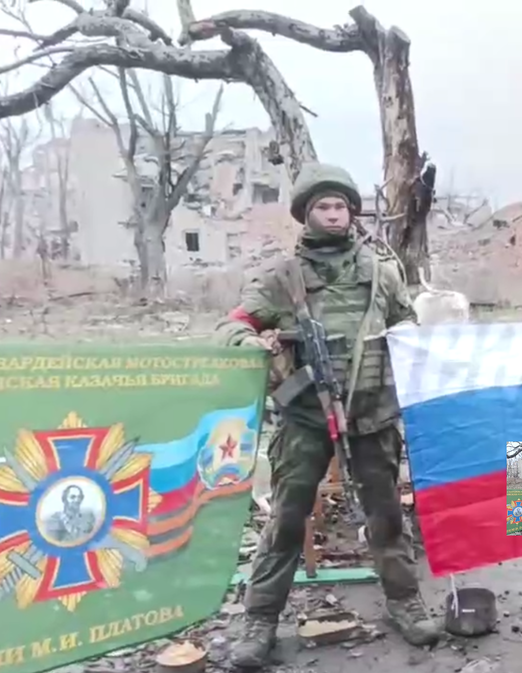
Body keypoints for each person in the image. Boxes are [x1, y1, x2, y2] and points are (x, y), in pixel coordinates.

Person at [214, 162, 440, 668]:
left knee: (385, 515)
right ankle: (260, 619)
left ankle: (405, 601)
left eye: (341, 206)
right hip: (305, 417)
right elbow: (232, 326)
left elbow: (405, 324)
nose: (334, 215)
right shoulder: (281, 277)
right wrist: (250, 343)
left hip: (373, 414)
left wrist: (414, 337)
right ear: (306, 214)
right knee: (286, 520)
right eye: (323, 206)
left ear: (352, 212)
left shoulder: (381, 272)